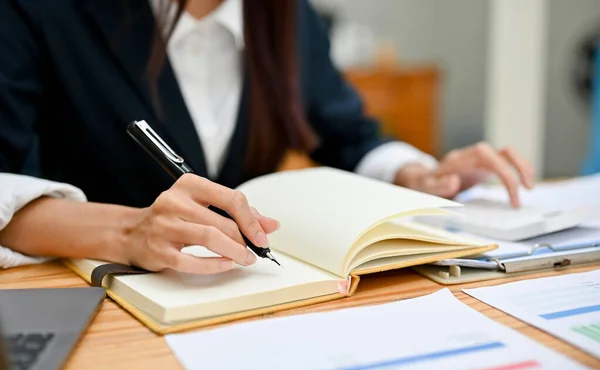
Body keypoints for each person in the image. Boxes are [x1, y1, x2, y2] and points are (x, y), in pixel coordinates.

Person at [0, 0, 534, 274]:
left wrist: (420, 174)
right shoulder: (43, 10)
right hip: (97, 294)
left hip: (238, 290)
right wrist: (127, 229)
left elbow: (346, 133)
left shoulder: (285, 13)